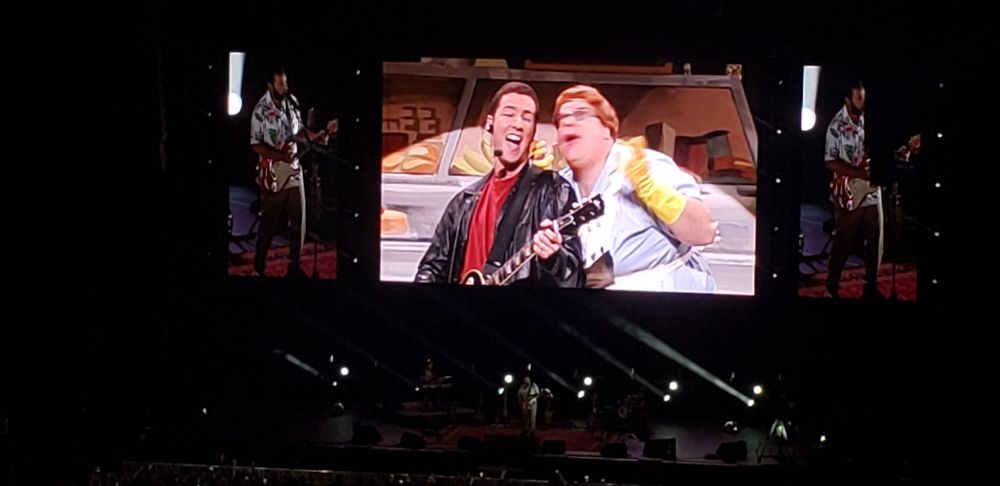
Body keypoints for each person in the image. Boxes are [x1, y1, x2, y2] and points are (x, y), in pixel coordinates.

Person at [415, 82, 584, 287]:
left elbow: (574, 278)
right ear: (490, 123)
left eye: (527, 118)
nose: (518, 124)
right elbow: (432, 268)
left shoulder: (553, 190)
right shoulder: (462, 203)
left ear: (533, 132)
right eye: (509, 114)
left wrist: (554, 258)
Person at [553, 85, 717, 291]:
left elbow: (703, 232)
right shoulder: (559, 186)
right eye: (561, 119)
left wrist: (655, 193)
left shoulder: (643, 166)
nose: (567, 122)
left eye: (580, 114)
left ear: (607, 129)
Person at [824, 81, 883, 299]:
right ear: (847, 99)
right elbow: (830, 161)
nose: (863, 102)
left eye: (864, 98)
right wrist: (859, 174)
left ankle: (871, 286)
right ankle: (831, 286)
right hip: (849, 192)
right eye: (858, 98)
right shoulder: (836, 126)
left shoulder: (870, 122)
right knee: (843, 242)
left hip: (872, 190)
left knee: (876, 240)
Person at [250, 67, 306, 277]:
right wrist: (280, 156)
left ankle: (294, 266)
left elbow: (300, 132)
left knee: (299, 220)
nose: (285, 87)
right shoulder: (260, 111)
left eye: (286, 83)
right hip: (273, 173)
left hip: (294, 170)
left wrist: (319, 135)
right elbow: (255, 145)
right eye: (281, 84)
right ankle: (259, 266)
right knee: (269, 222)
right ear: (270, 86)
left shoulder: (292, 103)